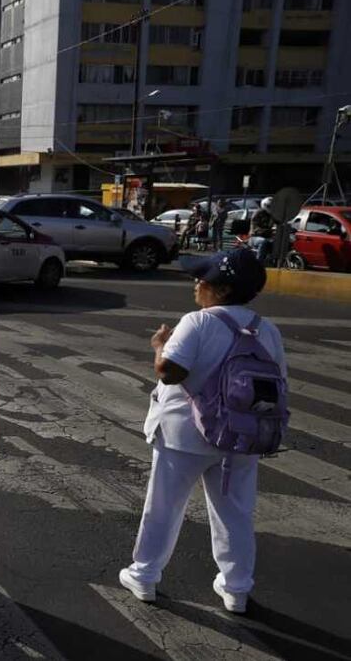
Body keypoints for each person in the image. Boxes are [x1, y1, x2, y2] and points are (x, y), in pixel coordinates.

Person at [119, 248, 286, 614]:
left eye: (203, 278)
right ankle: (236, 588)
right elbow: (278, 386)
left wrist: (160, 347)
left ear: (222, 289)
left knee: (164, 506)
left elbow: (170, 372)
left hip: (184, 435)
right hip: (241, 437)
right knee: (235, 512)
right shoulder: (267, 329)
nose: (196, 283)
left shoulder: (197, 322)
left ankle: (144, 576)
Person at [248, 197, 275, 263]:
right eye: (269, 206)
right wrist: (267, 230)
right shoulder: (258, 213)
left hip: (267, 236)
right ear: (265, 205)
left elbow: (279, 222)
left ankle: (273, 260)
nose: (271, 208)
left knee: (277, 242)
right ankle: (259, 262)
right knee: (263, 242)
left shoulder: (271, 215)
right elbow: (255, 228)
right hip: (255, 237)